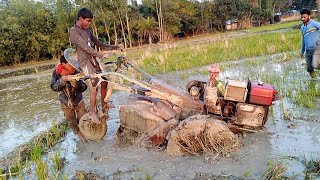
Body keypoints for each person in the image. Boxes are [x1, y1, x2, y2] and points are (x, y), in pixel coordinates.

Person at [69, 8, 123, 123]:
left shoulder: (88, 31)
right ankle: (92, 112)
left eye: (90, 21)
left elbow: (99, 43)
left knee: (104, 81)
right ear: (80, 19)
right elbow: (85, 47)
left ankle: (104, 104)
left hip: (93, 60)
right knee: (94, 86)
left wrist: (115, 47)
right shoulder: (73, 31)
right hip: (85, 62)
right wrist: (100, 55)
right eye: (88, 21)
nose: (89, 24)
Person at [51, 55, 87, 140]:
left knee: (83, 119)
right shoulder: (56, 73)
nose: (72, 65)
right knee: (72, 122)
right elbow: (53, 87)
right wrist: (63, 80)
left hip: (78, 100)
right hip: (65, 102)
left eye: (72, 62)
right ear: (63, 64)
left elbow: (84, 87)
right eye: (69, 63)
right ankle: (79, 135)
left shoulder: (77, 70)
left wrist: (75, 84)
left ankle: (85, 134)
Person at [300, 9, 320, 78]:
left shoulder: (314, 24)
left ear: (309, 16)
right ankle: (314, 80)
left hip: (316, 49)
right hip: (308, 50)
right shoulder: (302, 27)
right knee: (309, 68)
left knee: (316, 65)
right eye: (301, 17)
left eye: (304, 17)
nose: (302, 19)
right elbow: (303, 39)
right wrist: (302, 51)